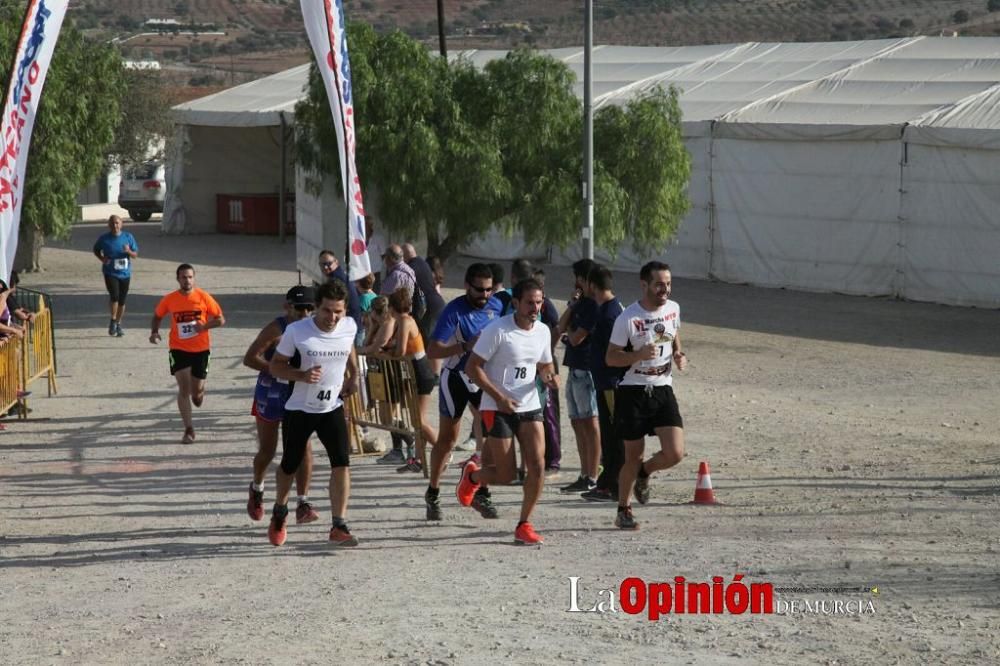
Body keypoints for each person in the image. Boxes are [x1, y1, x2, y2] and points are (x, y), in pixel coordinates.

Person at [459, 278, 559, 545]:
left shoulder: (543, 331)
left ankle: (524, 523)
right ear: (516, 303)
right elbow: (472, 367)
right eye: (529, 302)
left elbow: (544, 364)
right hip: (497, 407)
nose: (535, 308)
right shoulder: (497, 330)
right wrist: (499, 397)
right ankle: (472, 476)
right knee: (506, 475)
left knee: (537, 466)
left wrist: (549, 376)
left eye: (539, 302)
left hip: (529, 405)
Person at [266, 280, 361, 547]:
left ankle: (338, 524)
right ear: (316, 308)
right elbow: (275, 367)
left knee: (341, 463)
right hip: (299, 408)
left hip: (331, 406)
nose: (332, 317)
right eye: (327, 311)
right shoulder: (297, 331)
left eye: (338, 311)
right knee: (290, 464)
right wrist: (301, 375)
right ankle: (280, 510)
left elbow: (348, 346)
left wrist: (354, 374)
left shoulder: (349, 326)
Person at [606, 261, 689, 530]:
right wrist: (638, 355)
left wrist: (678, 353)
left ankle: (644, 473)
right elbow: (610, 357)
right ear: (644, 285)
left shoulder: (673, 308)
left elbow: (674, 331)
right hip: (633, 391)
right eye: (659, 284)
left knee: (675, 452)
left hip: (663, 387)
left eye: (668, 283)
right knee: (633, 455)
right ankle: (623, 509)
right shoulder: (627, 318)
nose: (664, 289)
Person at [424, 263, 504, 521]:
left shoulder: (498, 306)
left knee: (492, 434)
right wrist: (464, 346)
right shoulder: (454, 311)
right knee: (448, 439)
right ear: (467, 286)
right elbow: (433, 350)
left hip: (482, 378)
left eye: (489, 290)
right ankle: (433, 492)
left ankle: (482, 490)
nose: (485, 295)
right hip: (456, 378)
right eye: (479, 290)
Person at [242, 286, 318, 524]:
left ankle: (303, 502)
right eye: (299, 308)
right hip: (272, 392)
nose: (304, 313)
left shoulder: (314, 329)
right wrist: (278, 370)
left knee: (303, 446)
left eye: (309, 308)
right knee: (268, 450)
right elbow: (250, 357)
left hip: (299, 392)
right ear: (287, 307)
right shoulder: (277, 328)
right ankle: (257, 487)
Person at [150, 264, 225, 444]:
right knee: (183, 389)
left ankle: (199, 393)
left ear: (194, 278)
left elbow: (221, 319)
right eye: (183, 277)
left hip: (201, 350)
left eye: (190, 277)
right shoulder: (170, 299)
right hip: (178, 348)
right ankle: (188, 429)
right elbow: (157, 316)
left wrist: (204, 326)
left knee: (196, 393)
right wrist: (154, 332)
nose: (187, 280)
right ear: (178, 279)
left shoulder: (203, 297)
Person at [580, 265, 626, 502]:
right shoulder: (611, 309)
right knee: (611, 433)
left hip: (611, 384)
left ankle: (611, 485)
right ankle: (610, 482)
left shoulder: (610, 314)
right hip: (605, 381)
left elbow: (618, 350)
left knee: (612, 435)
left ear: (592, 285)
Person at [558, 259, 601, 494]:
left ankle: (593, 475)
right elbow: (561, 326)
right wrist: (572, 305)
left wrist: (568, 336)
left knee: (590, 422)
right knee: (577, 422)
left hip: (587, 370)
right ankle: (584, 474)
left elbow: (574, 338)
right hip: (574, 369)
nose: (575, 283)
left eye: (578, 278)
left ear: (586, 280)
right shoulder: (581, 304)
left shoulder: (593, 306)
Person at [386, 287, 438, 473]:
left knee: (419, 420)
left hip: (422, 372)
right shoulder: (405, 320)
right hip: (417, 371)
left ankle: (443, 450)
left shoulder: (405, 321)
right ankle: (418, 459)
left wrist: (387, 351)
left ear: (392, 308)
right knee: (417, 419)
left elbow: (399, 351)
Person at [530, 268, 562, 477]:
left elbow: (557, 329)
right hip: (530, 362)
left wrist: (548, 350)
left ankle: (553, 459)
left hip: (545, 362)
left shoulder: (547, 305)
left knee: (549, 412)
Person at [93, 215, 139, 337]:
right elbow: (96, 249)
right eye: (113, 223)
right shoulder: (104, 239)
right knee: (115, 296)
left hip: (125, 273)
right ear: (109, 225)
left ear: (121, 224)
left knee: (122, 300)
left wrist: (128, 251)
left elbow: (135, 255)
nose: (115, 226)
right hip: (110, 272)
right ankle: (113, 319)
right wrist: (102, 258)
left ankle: (118, 323)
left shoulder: (128, 237)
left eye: (117, 223)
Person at [401, 243, 445, 344]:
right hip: (437, 304)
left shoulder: (411, 268)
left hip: (429, 307)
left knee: (425, 338)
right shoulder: (422, 262)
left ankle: (428, 359)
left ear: (405, 255)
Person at [318, 250, 362, 344]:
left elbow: (333, 305)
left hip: (350, 329)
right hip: (354, 325)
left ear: (336, 262)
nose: (326, 267)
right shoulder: (340, 275)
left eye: (329, 263)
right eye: (322, 264)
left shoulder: (336, 280)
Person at [365, 219, 386, 292]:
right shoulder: (360, 239)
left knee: (375, 292)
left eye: (367, 225)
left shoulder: (378, 238)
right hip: (364, 272)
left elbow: (383, 254)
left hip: (376, 272)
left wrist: (376, 264)